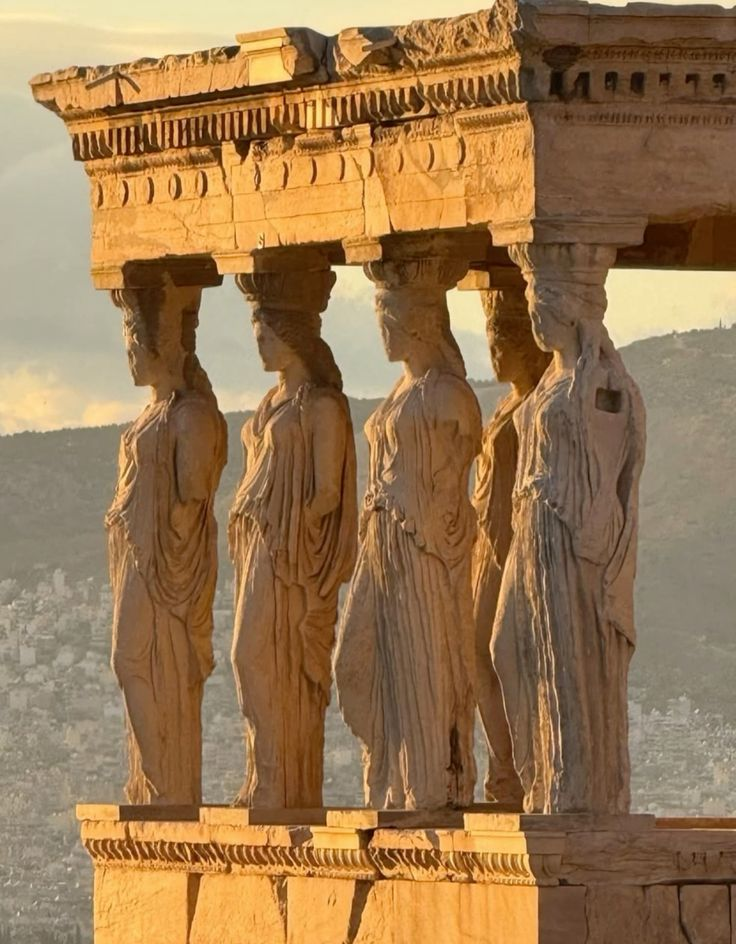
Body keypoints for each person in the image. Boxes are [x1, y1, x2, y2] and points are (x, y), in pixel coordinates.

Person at [493, 251, 646, 814]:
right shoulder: (551, 380)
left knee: (566, 660)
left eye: (544, 306)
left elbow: (613, 462)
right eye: (533, 306)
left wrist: (594, 534)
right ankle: (541, 774)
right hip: (531, 528)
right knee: (507, 646)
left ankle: (570, 788)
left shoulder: (601, 381)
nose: (535, 319)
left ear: (571, 309)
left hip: (568, 534)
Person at [334, 261, 482, 810]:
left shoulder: (448, 396)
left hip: (421, 547)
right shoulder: (404, 390)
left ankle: (424, 787)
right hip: (382, 541)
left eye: (386, 315)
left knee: (424, 667)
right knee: (357, 659)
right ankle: (391, 777)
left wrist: (440, 539)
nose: (381, 328)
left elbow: (457, 479)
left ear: (418, 321)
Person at [230, 283, 357, 808]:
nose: (258, 345)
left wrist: (297, 534)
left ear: (291, 336)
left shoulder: (321, 406)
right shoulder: (270, 401)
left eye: (265, 334)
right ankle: (266, 777)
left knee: (252, 656)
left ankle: (280, 777)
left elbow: (328, 491)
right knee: (253, 658)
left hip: (290, 553)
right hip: (259, 543)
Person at [107, 278, 227, 805]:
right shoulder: (156, 414)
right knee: (132, 662)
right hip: (138, 553)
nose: (129, 355)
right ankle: (156, 780)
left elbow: (194, 494)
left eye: (135, 342)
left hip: (162, 563)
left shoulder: (190, 414)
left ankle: (164, 782)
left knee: (129, 660)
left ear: (160, 344)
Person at [471, 287, 550, 805]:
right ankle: (506, 768)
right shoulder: (507, 405)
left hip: (521, 545)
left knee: (503, 650)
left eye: (501, 340)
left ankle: (524, 770)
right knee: (477, 650)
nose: (493, 352)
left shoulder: (540, 408)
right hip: (488, 539)